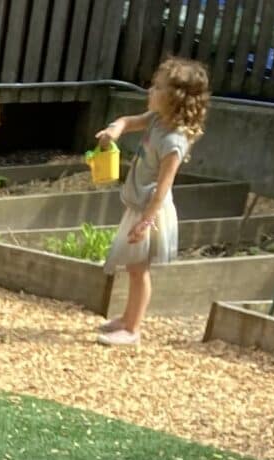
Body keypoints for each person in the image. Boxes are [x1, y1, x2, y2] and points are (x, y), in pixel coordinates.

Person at [93, 57, 212, 349]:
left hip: (151, 211)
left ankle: (133, 329)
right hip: (139, 207)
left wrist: (146, 222)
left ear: (174, 98)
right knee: (134, 267)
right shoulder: (157, 119)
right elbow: (127, 121)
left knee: (138, 269)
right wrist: (114, 130)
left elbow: (163, 188)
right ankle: (126, 319)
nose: (150, 90)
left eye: (157, 88)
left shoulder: (174, 142)